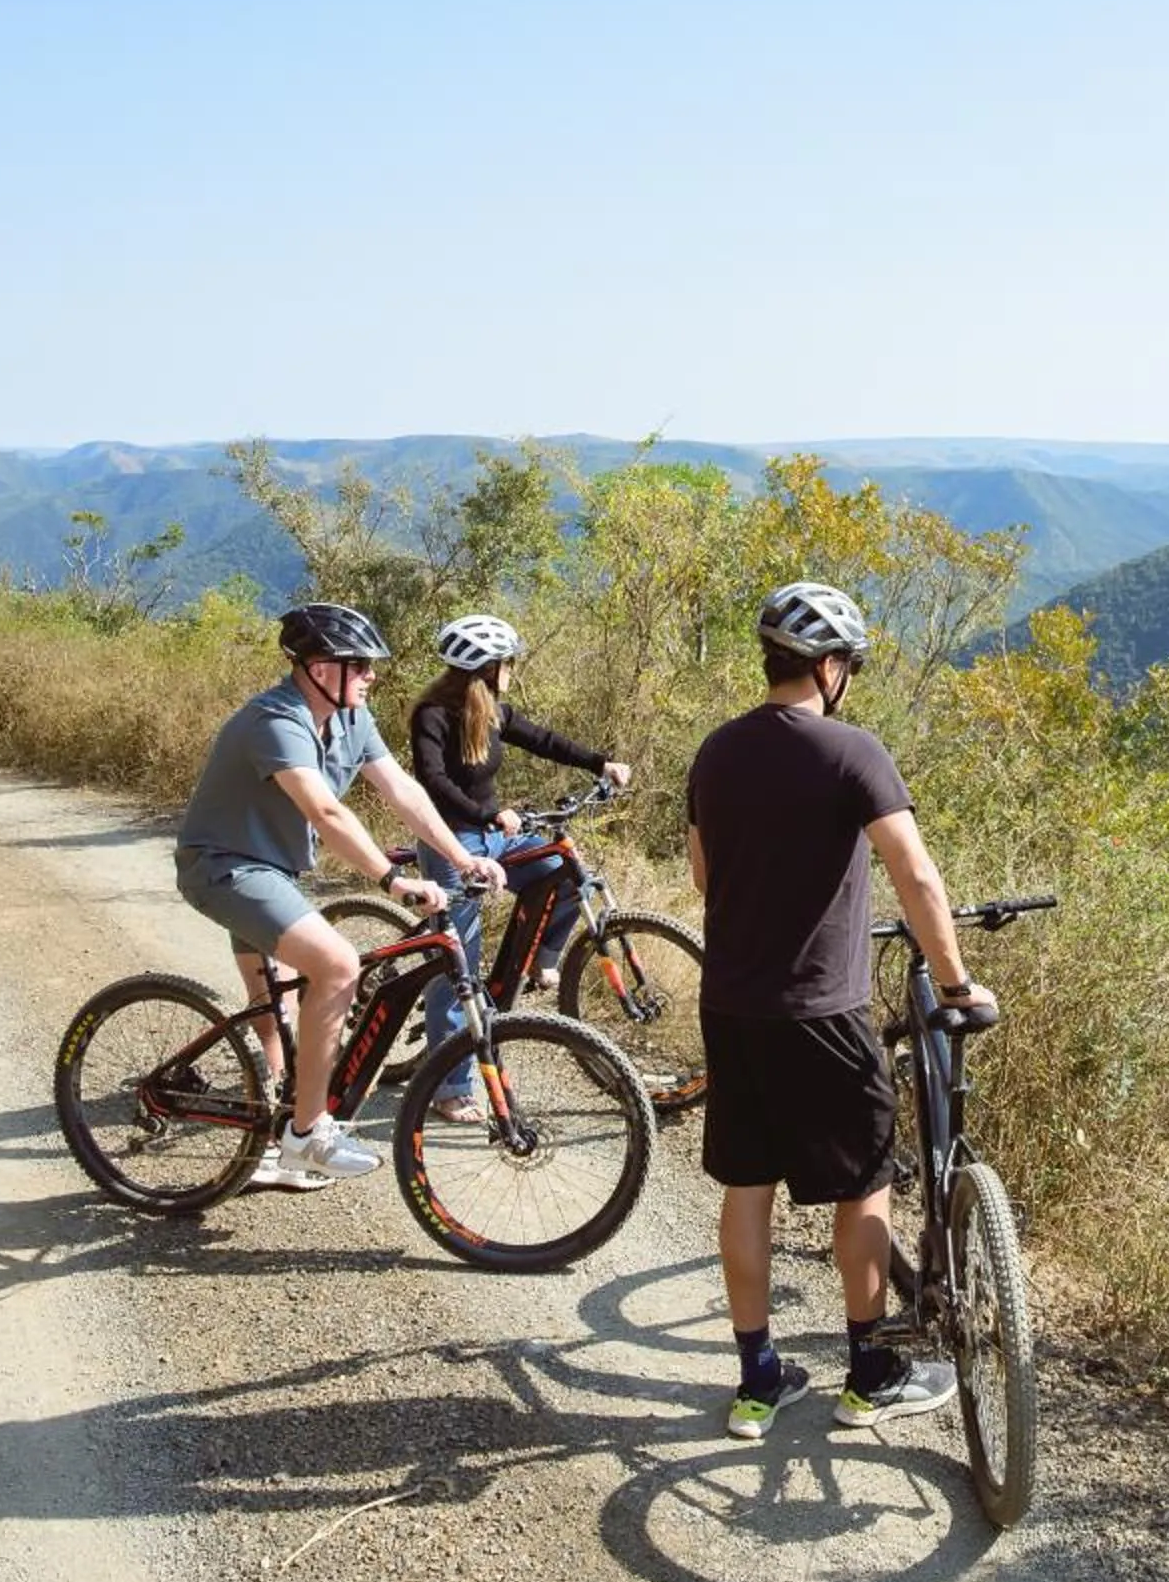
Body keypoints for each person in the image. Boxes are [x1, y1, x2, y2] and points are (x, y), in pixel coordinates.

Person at [683, 580, 1000, 1439]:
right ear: (828, 668)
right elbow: (916, 875)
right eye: (847, 664)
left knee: (746, 1191)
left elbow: (705, 878)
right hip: (822, 1011)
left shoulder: (715, 752)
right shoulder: (853, 751)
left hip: (732, 1006)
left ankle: (758, 1381)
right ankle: (869, 1372)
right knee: (863, 1188)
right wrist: (958, 983)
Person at [174, 602, 506, 1187]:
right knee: (336, 966)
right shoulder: (274, 721)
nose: (373, 676)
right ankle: (308, 1136)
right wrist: (392, 878)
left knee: (274, 1012)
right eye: (363, 665)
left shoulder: (353, 717)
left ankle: (275, 1139)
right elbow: (325, 811)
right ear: (321, 668)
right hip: (226, 869)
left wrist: (461, 856)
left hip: (274, 873)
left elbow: (401, 789)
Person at [404, 613, 634, 1124]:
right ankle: (450, 1087)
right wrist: (488, 814)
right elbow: (433, 782)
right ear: (489, 668)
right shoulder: (432, 715)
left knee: (561, 868)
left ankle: (537, 961)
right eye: (507, 661)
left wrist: (601, 763)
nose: (512, 669)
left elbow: (545, 739)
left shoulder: (491, 710)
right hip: (451, 838)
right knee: (457, 962)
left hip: (495, 834)